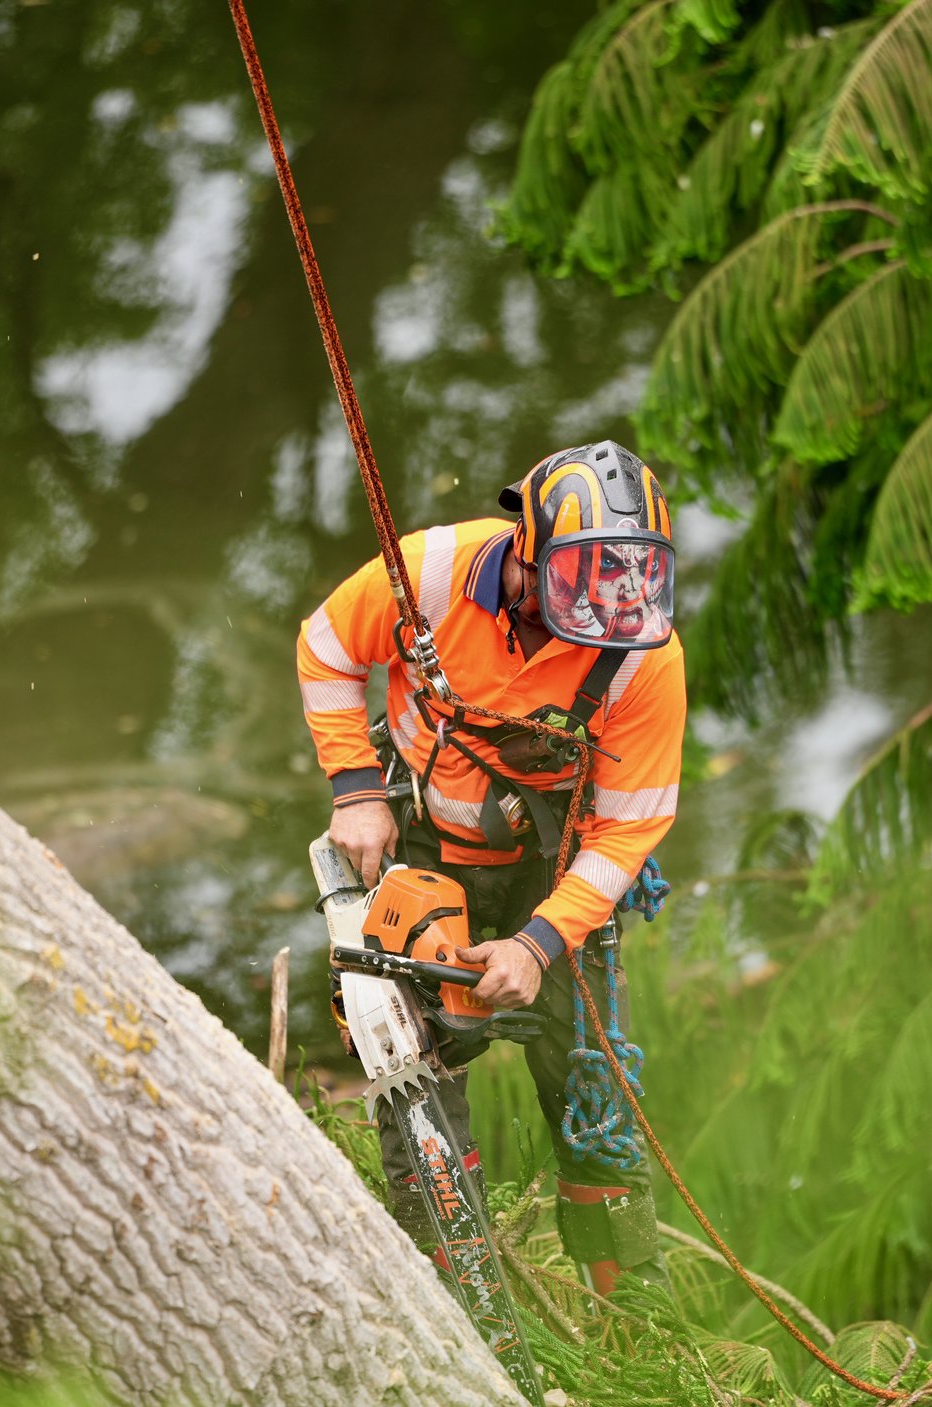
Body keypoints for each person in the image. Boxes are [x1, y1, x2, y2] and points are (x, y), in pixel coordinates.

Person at [295, 440, 683, 1293]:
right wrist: (356, 786)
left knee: (592, 1093)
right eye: (585, 576)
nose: (610, 601)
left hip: (559, 868)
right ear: (528, 550)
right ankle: (456, 1299)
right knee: (410, 1071)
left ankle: (633, 1313)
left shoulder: (644, 653)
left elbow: (630, 828)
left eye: (632, 575)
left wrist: (539, 943)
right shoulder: (426, 575)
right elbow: (325, 646)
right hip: (428, 847)